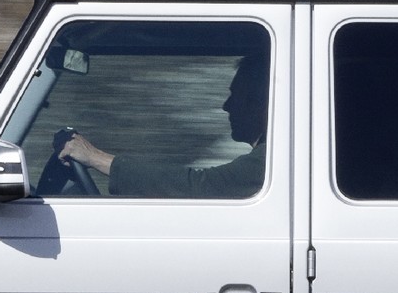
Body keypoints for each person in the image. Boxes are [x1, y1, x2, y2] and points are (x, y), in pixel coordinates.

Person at [58, 52, 268, 198]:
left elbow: (201, 188)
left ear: (261, 102)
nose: (226, 106)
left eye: (236, 95)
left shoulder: (274, 160)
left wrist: (95, 158)